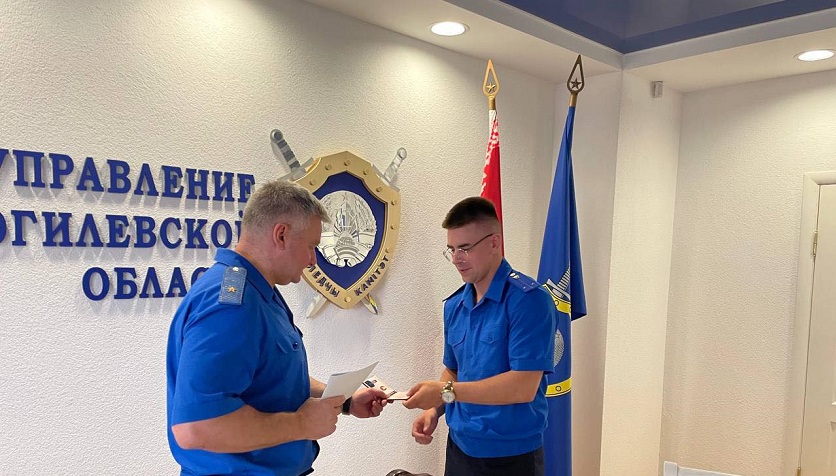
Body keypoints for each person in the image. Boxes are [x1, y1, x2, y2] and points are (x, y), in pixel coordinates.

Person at [166, 179, 388, 476]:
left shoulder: (258, 291)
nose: (312, 260)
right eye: (311, 246)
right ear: (281, 234)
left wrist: (342, 400)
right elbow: (196, 428)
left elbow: (271, 377)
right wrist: (301, 424)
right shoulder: (232, 305)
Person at [403, 197, 557, 476]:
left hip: (511, 455)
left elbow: (523, 386)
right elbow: (454, 370)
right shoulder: (454, 305)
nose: (456, 259)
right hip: (460, 446)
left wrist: (445, 392)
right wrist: (434, 410)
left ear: (494, 243)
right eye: (451, 249)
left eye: (465, 248)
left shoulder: (529, 301)